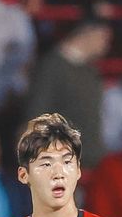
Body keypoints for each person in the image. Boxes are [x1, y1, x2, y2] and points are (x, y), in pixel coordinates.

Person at [24, 19, 112, 169]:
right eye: (104, 38)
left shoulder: (91, 72)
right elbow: (37, 114)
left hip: (91, 160)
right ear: (88, 33)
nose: (106, 46)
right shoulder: (51, 67)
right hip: (62, 162)